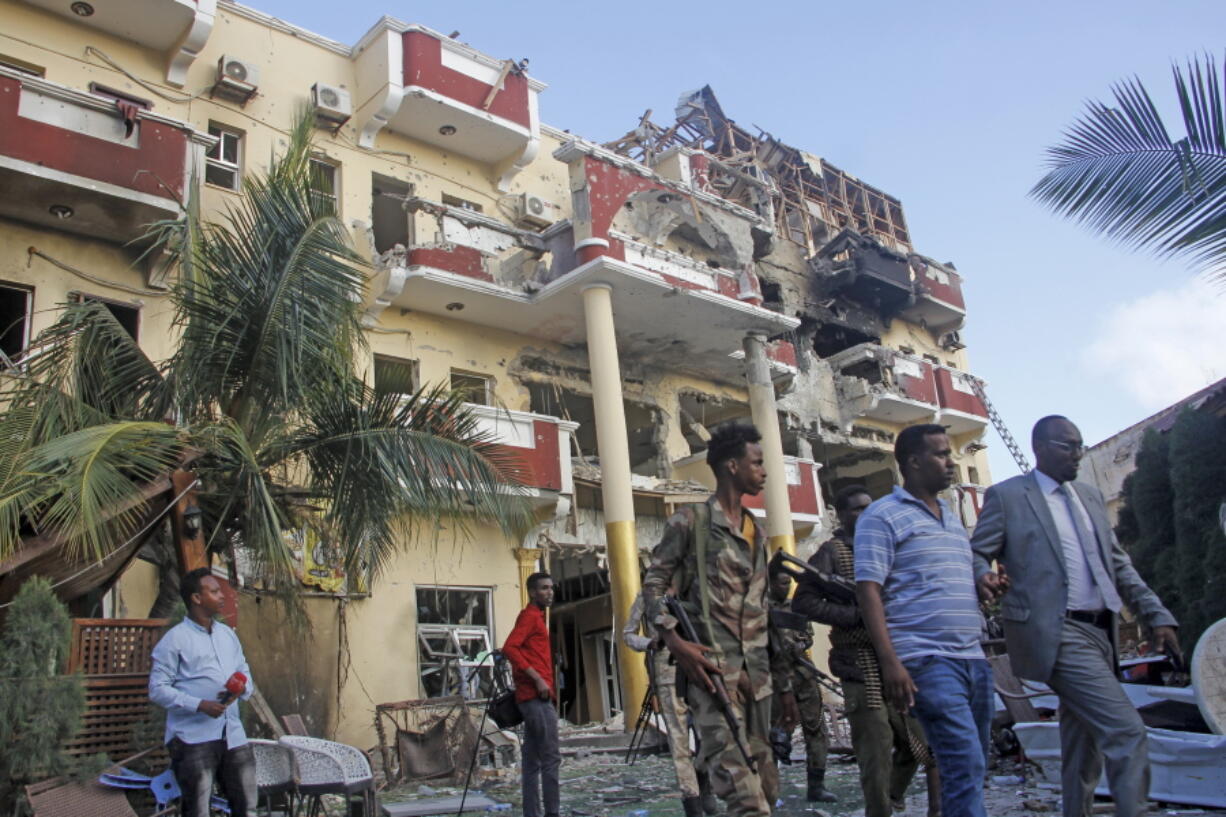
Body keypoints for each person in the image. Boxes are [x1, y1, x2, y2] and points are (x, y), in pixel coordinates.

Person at [971, 415, 1179, 817]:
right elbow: (979, 550)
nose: (1078, 454)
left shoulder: (1089, 496)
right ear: (1040, 448)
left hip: (1102, 630)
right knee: (1126, 731)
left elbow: (1119, 564)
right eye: (1068, 446)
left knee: (1083, 740)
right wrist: (982, 574)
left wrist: (1156, 614)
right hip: (1056, 630)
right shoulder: (1009, 496)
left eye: (1080, 445)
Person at [642, 420, 798, 817]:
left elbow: (764, 612)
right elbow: (654, 584)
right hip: (711, 673)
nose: (763, 471)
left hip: (757, 677)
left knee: (766, 787)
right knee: (745, 800)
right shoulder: (690, 522)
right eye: (757, 462)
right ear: (732, 466)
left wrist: (784, 686)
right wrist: (676, 643)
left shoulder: (758, 533)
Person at [855, 424, 992, 817]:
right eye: (942, 455)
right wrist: (890, 662)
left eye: (951, 453)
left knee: (971, 765)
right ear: (913, 462)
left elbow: (949, 579)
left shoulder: (951, 517)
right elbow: (869, 591)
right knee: (964, 762)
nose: (952, 463)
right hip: (927, 659)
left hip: (973, 658)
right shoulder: (882, 516)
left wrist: (983, 584)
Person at [794, 484, 940, 817]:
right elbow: (803, 601)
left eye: (868, 506)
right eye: (857, 509)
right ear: (840, 515)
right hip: (860, 663)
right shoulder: (832, 552)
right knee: (875, 751)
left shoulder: (887, 547)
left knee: (916, 743)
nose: (865, 513)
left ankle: (890, 797)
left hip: (898, 661)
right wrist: (856, 614)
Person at [149, 568, 257, 817]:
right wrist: (199, 705)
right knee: (198, 811)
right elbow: (157, 689)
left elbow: (243, 669)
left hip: (233, 735)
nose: (222, 596)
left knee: (247, 807)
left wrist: (242, 687)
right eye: (215, 591)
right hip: (193, 739)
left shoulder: (228, 635)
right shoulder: (175, 640)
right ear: (197, 598)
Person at [623, 591, 717, 816]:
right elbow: (628, 634)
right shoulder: (647, 597)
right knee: (678, 738)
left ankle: (703, 780)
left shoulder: (692, 587)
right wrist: (650, 643)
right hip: (667, 671)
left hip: (698, 667)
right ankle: (691, 798)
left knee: (711, 733)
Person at [766, 565, 837, 803]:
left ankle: (816, 784)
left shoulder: (797, 605)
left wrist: (800, 645)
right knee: (773, 734)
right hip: (775, 678)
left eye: (788, 583)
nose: (786, 587)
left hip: (803, 676)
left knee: (815, 729)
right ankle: (770, 788)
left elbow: (807, 634)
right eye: (781, 583)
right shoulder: (760, 609)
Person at [503, 571, 560, 817]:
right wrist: (537, 678)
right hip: (536, 697)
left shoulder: (536, 617)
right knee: (550, 758)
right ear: (533, 592)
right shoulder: (529, 617)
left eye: (551, 588)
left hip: (534, 696)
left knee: (532, 762)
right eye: (544, 588)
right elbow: (509, 648)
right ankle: (552, 813)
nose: (549, 592)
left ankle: (533, 813)